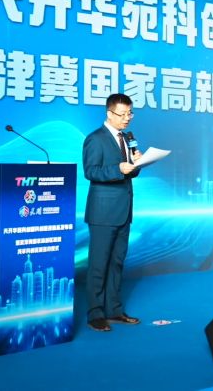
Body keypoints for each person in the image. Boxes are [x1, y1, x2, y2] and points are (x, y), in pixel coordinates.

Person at [83, 93, 142, 332]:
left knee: (117, 262)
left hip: (124, 210)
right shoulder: (95, 139)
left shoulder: (127, 138)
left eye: (130, 113)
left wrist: (137, 163)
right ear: (109, 113)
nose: (127, 118)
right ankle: (95, 314)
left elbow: (129, 172)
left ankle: (114, 310)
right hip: (103, 213)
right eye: (122, 114)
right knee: (99, 264)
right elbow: (91, 171)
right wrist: (118, 168)